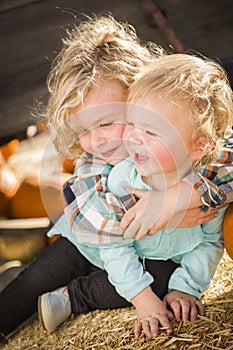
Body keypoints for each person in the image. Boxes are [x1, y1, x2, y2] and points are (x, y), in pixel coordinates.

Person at [0, 15, 230, 342]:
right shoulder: (98, 173)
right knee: (32, 284)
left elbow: (224, 148)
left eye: (107, 123)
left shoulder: (184, 140)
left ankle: (73, 296)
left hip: (151, 254)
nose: (95, 142)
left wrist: (187, 195)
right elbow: (112, 244)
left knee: (163, 281)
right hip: (92, 247)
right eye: (84, 131)